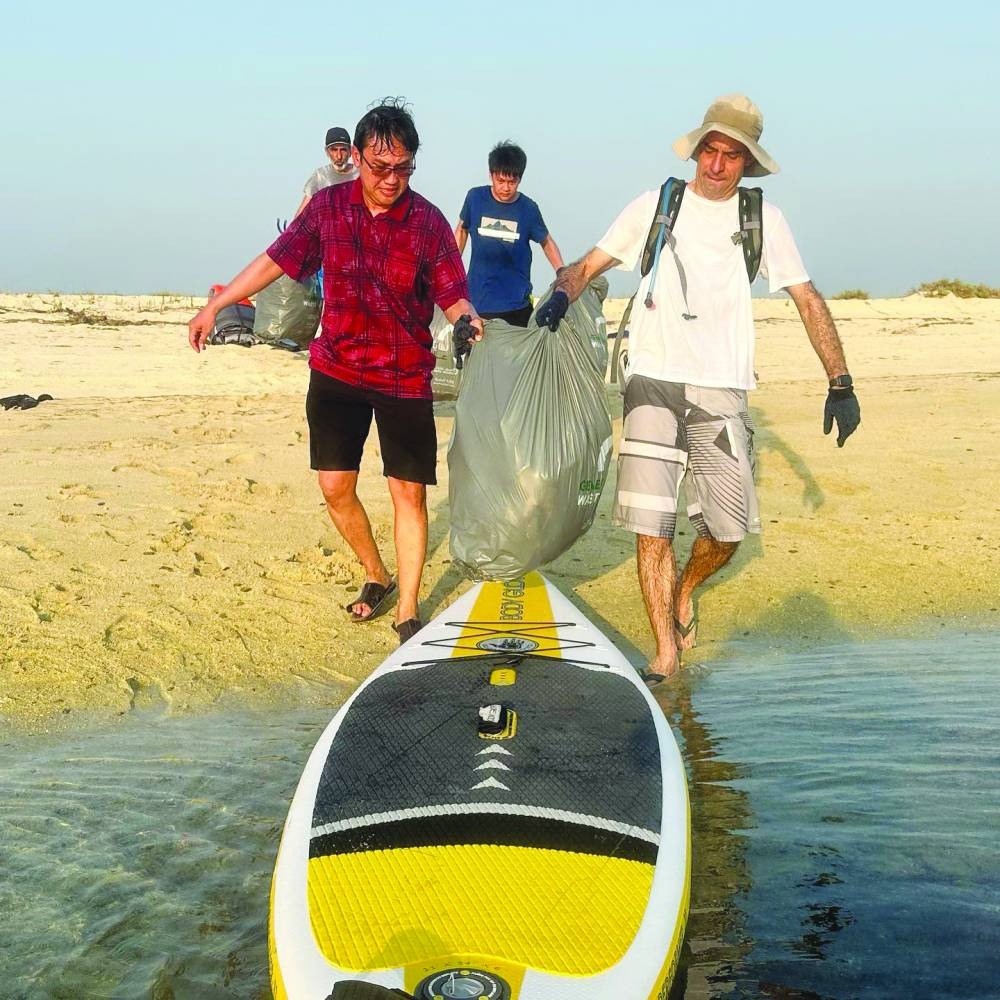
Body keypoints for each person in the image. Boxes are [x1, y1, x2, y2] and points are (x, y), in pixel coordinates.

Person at [536, 94, 861, 683]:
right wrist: (559, 296)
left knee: (728, 530)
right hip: (652, 378)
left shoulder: (762, 219)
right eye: (709, 151)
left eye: (730, 156)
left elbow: (806, 296)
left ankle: (686, 588)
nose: (716, 165)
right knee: (652, 525)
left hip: (722, 386)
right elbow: (585, 266)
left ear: (747, 162)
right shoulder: (656, 206)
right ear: (696, 151)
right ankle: (664, 653)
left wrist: (839, 380)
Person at [189, 99, 483, 644]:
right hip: (338, 368)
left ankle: (408, 609)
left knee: (408, 493)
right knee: (333, 487)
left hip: (402, 373)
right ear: (359, 159)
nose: (392, 179)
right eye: (381, 167)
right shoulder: (327, 208)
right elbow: (274, 260)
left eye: (403, 168)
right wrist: (217, 303)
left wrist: (467, 319)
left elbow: (453, 292)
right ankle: (377, 573)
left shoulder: (429, 222)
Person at [454, 141, 564, 327]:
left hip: (516, 306)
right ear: (491, 175)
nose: (506, 188)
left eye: (512, 182)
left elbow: (546, 241)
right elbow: (461, 230)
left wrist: (561, 272)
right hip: (478, 303)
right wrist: (451, 269)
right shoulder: (475, 198)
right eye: (501, 181)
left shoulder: (528, 208)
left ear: (520, 179)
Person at [293, 126, 359, 217]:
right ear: (327, 152)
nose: (339, 156)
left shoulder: (361, 175)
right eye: (334, 150)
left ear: (350, 151)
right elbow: (301, 214)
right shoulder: (320, 176)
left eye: (343, 150)